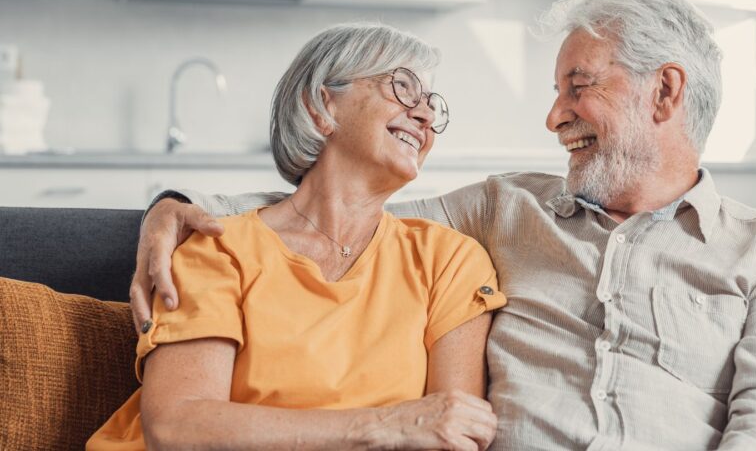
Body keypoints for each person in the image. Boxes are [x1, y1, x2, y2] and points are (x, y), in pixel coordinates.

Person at [132, 0, 756, 450]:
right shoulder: (502, 210)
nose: (554, 115)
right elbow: (328, 209)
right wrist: (173, 203)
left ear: (665, 91)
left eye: (578, 87)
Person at [88, 23, 506, 450]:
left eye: (432, 104)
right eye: (402, 87)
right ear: (320, 106)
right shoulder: (219, 248)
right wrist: (384, 426)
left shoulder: (450, 261)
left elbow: (455, 432)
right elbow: (177, 428)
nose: (425, 115)